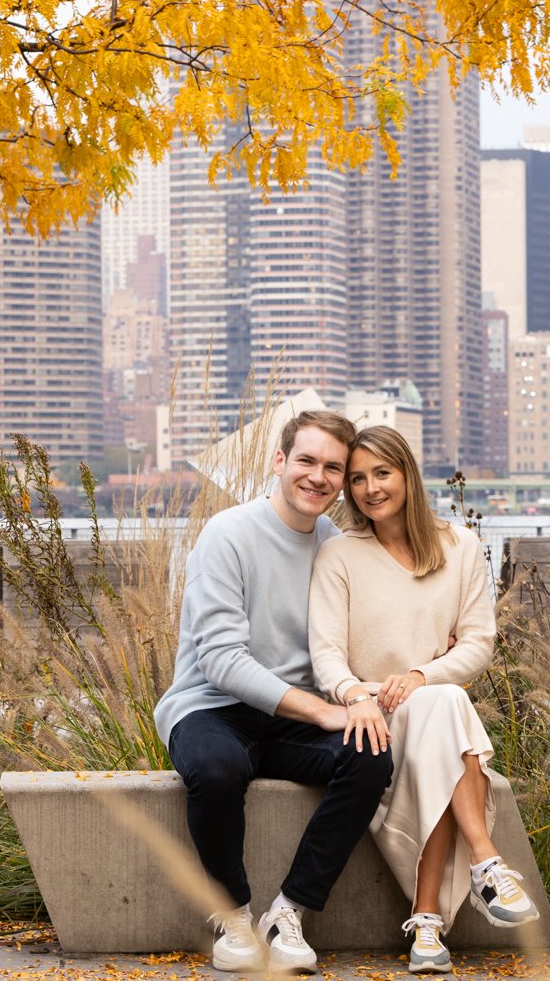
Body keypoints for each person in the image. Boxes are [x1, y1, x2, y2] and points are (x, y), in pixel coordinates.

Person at [154, 409, 393, 975]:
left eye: (334, 467)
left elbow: (365, 626)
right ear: (279, 462)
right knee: (215, 770)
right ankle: (234, 915)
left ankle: (289, 913)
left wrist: (433, 649)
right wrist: (322, 711)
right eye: (306, 460)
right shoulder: (228, 534)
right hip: (211, 706)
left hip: (288, 721)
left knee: (371, 755)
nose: (319, 477)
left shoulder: (335, 544)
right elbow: (219, 659)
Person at [308, 425, 538, 975]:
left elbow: (479, 641)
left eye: (381, 473)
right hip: (370, 715)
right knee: (450, 706)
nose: (369, 489)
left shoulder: (458, 546)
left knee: (443, 706)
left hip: (431, 704)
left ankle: (428, 922)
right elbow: (326, 657)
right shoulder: (339, 555)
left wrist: (421, 674)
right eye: (357, 478)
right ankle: (485, 866)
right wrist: (356, 694)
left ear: (407, 474)